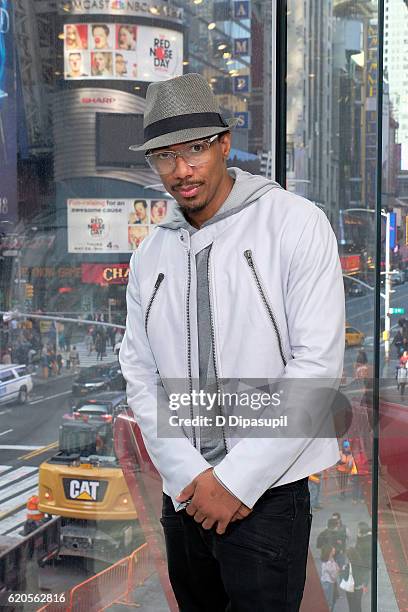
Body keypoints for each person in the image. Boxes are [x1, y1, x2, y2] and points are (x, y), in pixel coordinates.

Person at [119, 73, 345, 611]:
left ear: (224, 144)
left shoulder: (294, 223)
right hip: (186, 498)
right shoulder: (149, 252)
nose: (181, 170)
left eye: (195, 149)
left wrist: (236, 482)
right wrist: (189, 477)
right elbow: (139, 371)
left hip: (267, 495)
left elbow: (316, 368)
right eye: (165, 156)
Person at [340, 547, 369, 612]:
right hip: (359, 588)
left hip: (350, 589)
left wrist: (343, 570)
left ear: (349, 557)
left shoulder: (348, 566)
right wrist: (365, 585)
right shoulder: (361, 563)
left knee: (351, 606)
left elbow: (345, 578)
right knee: (358, 606)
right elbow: (366, 575)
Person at [320, 545, 339, 611]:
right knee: (328, 601)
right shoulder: (326, 562)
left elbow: (336, 568)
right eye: (333, 551)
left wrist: (337, 568)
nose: (334, 551)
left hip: (332, 583)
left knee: (333, 600)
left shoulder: (332, 559)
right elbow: (330, 573)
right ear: (329, 552)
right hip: (328, 583)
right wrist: (334, 576)